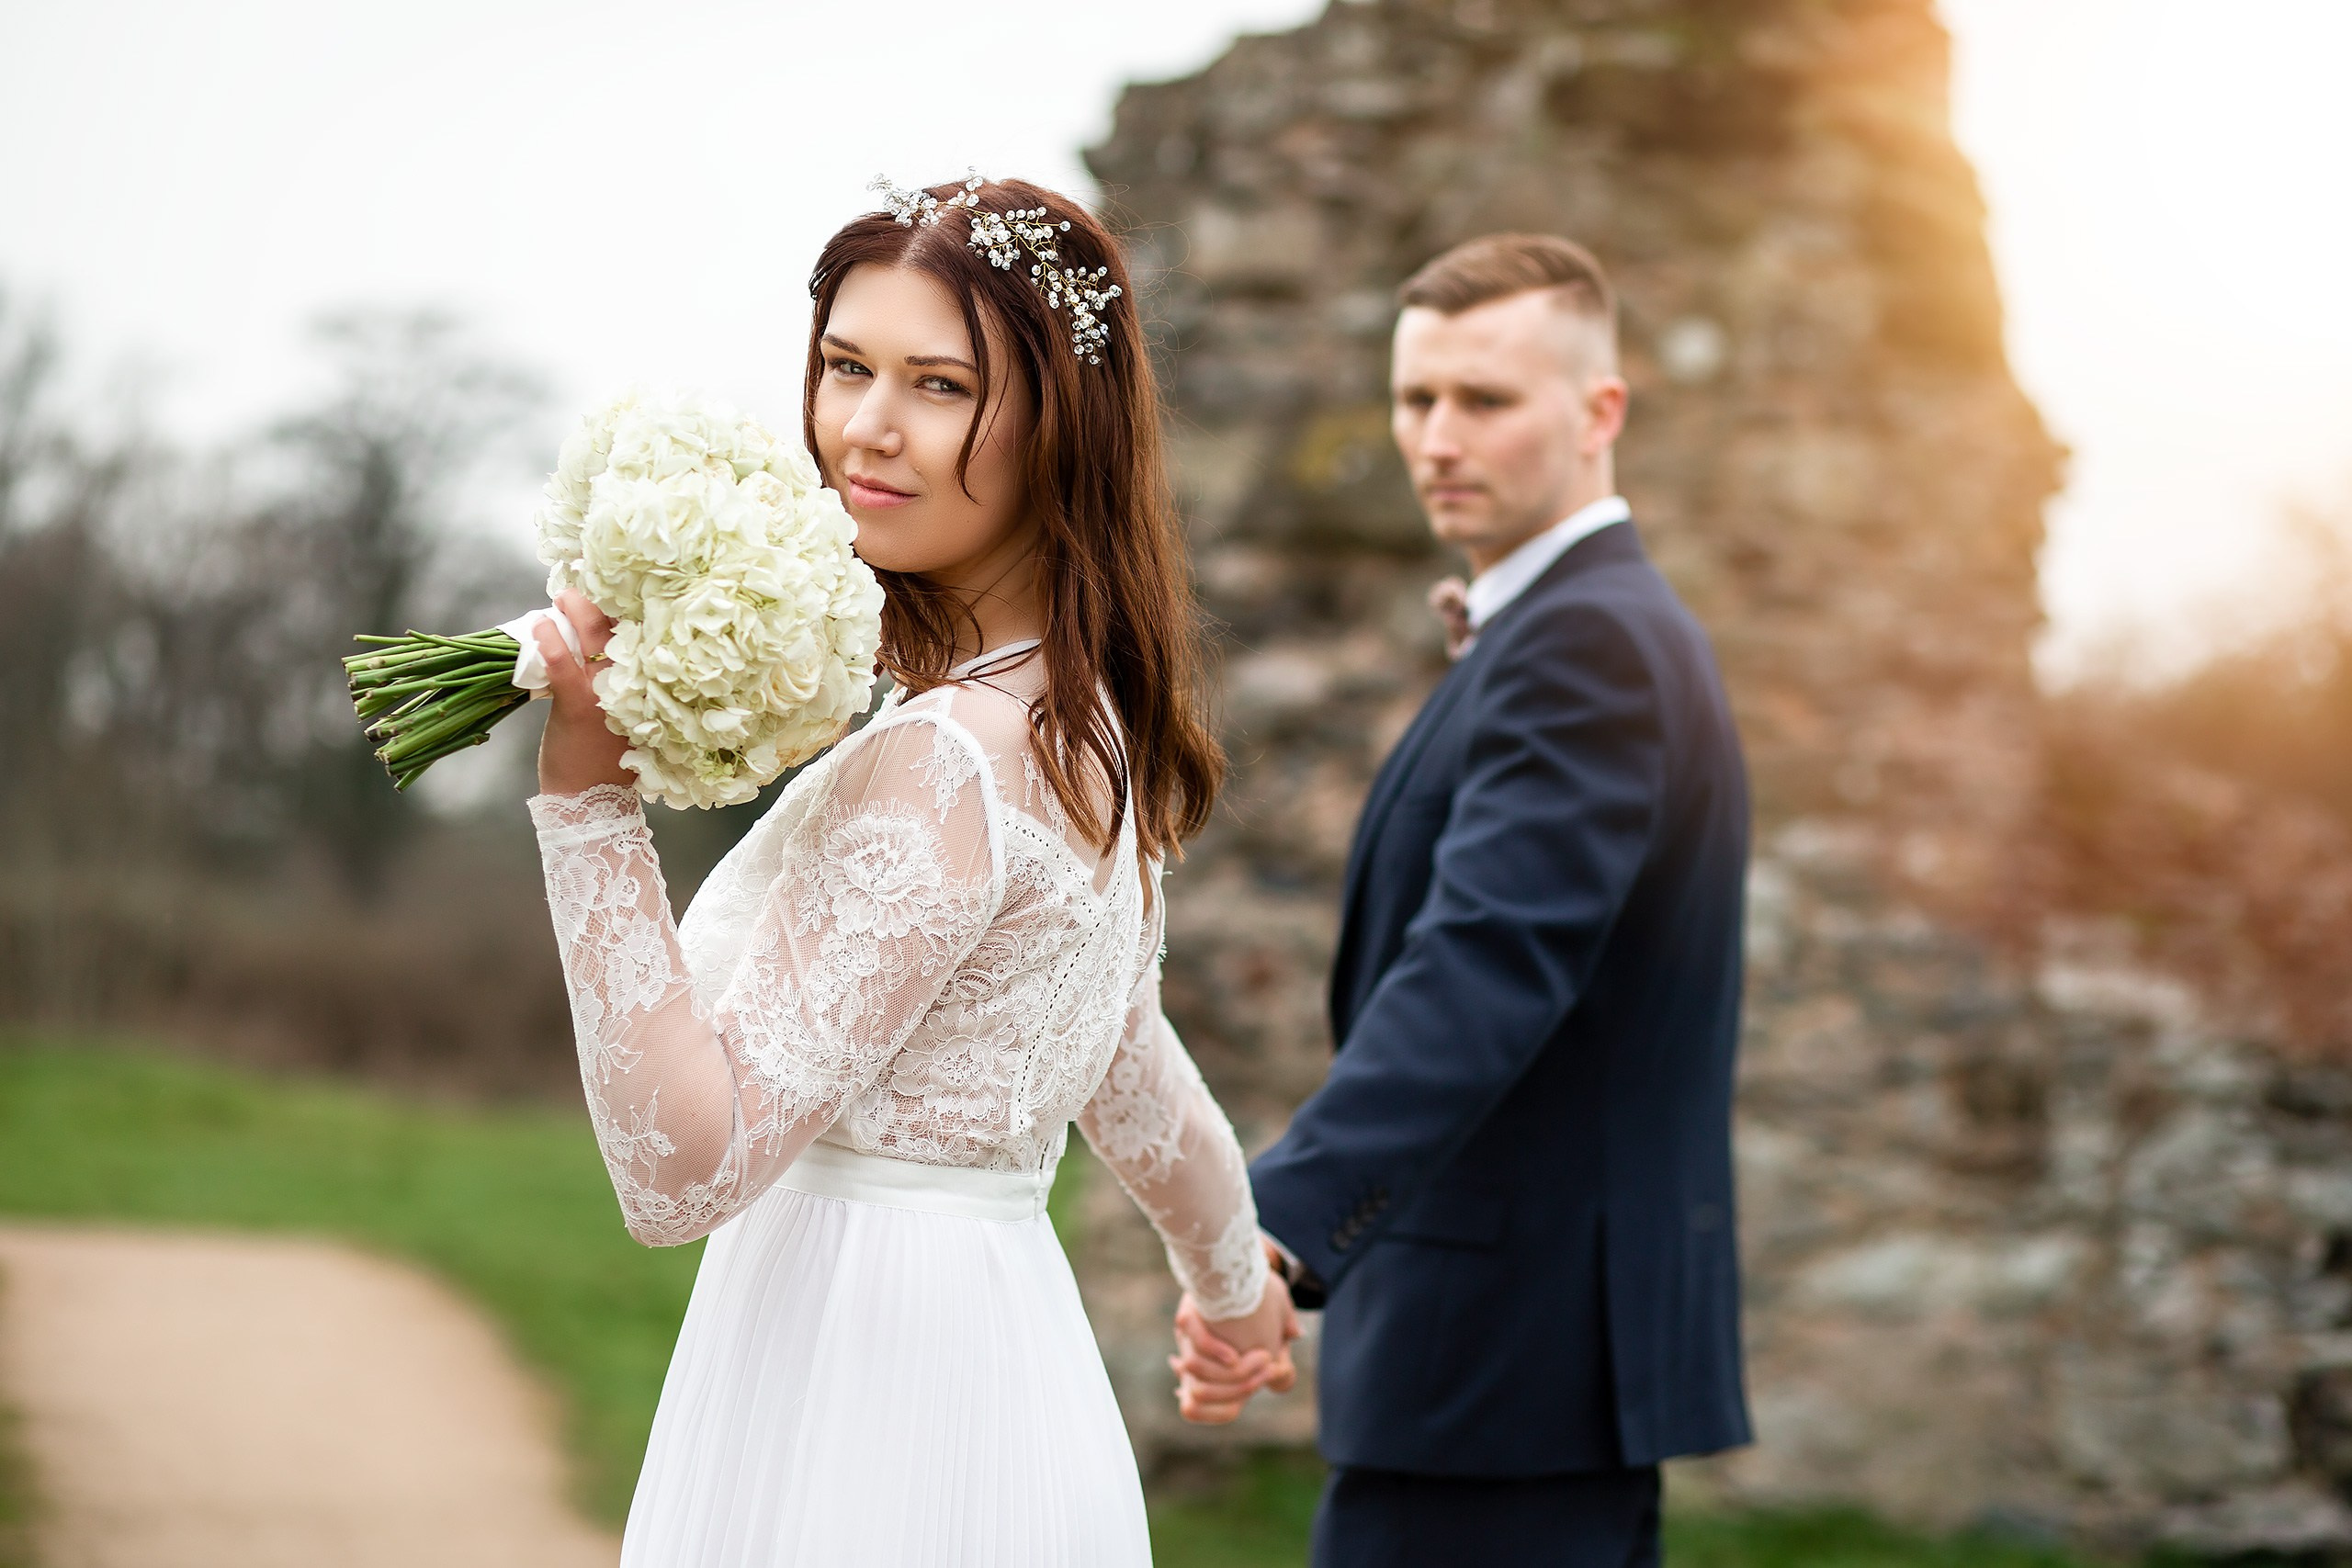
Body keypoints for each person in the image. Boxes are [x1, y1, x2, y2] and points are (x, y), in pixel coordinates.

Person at [525, 175, 1296, 1567]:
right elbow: (1117, 1054)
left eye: (939, 385)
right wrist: (1233, 1287)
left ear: (1061, 430)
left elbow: (682, 1174)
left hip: (857, 1404)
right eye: (844, 366)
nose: (865, 428)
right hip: (1004, 1375)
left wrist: (587, 810)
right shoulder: (1082, 726)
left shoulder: (946, 762)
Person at [1174, 234, 1754, 1565]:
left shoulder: (1590, 641)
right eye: (1415, 398)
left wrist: (1272, 1235)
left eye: (1484, 400)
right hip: (1507, 1381)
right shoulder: (1558, 631)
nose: (1435, 436)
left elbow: (1485, 966)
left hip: (1509, 1373)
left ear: (1601, 411)